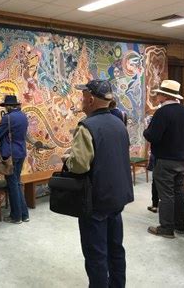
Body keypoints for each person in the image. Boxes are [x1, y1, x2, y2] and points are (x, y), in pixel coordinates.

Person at [63, 79, 133, 288]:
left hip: (96, 200)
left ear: (91, 99)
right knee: (115, 249)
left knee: (96, 254)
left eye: (83, 95)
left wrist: (68, 158)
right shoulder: (119, 123)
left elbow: (80, 166)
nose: (81, 99)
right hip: (117, 196)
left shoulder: (87, 126)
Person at [144, 79, 184, 238]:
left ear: (164, 96)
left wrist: (146, 131)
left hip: (165, 160)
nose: (157, 96)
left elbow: (153, 136)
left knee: (166, 194)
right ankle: (179, 226)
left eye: (158, 94)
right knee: (179, 192)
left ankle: (166, 228)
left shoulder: (162, 112)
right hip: (181, 160)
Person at [0, 95, 29, 224]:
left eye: (5, 106)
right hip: (21, 152)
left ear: (9, 106)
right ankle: (24, 214)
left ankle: (16, 216)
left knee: (12, 184)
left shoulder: (7, 118)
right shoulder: (23, 116)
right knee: (17, 182)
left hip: (10, 155)